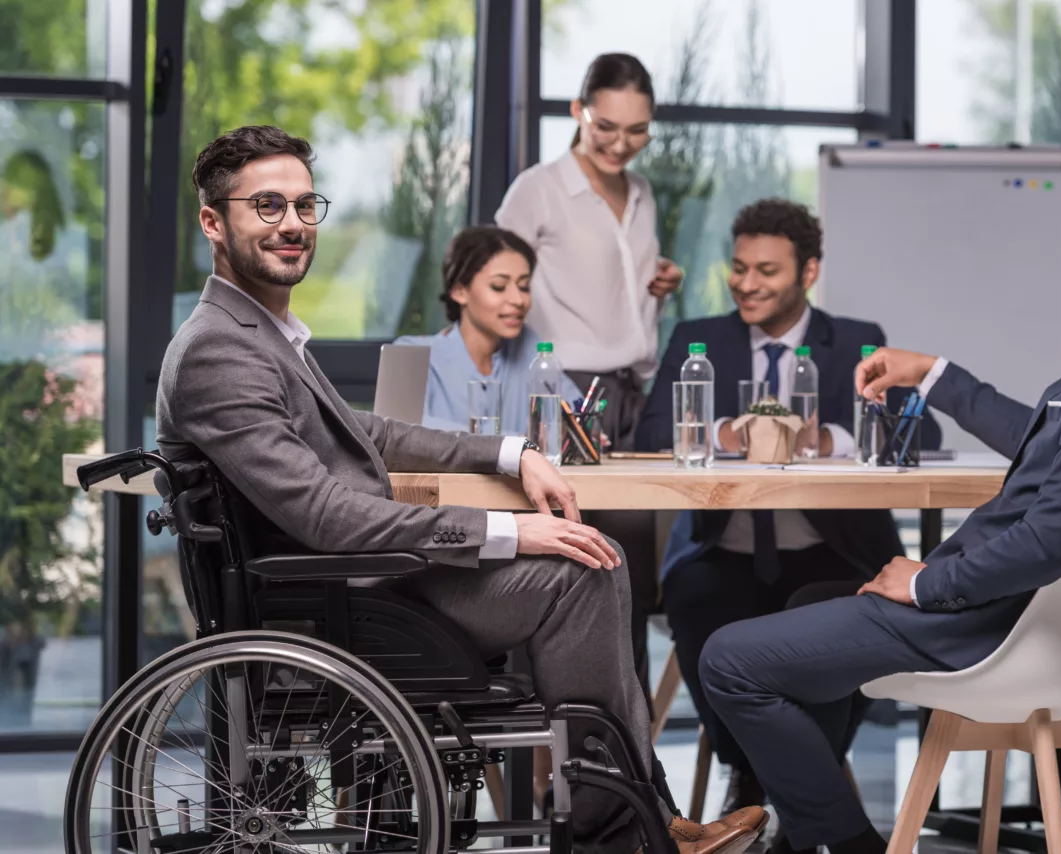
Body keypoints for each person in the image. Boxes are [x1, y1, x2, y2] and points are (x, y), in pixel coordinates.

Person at [155, 124, 767, 854]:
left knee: (589, 562)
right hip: (331, 605)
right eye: (267, 206)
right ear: (214, 222)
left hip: (349, 591)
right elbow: (320, 515)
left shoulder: (261, 333)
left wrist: (511, 452)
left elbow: (370, 435)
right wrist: (506, 531)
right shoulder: (221, 348)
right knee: (585, 568)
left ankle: (632, 821)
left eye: (303, 205)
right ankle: (628, 831)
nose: (292, 224)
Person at [698, 203, 1061, 854]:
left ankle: (846, 843)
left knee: (728, 661)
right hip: (1057, 631)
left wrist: (926, 583)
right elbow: (1042, 443)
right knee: (813, 603)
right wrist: (933, 373)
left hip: (983, 622)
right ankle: (812, 830)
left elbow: (1047, 545)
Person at [633, 199, 941, 823]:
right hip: (722, 551)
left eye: (766, 271)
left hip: (833, 550)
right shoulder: (703, 339)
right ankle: (752, 777)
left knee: (845, 613)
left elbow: (923, 433)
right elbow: (649, 432)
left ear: (808, 273)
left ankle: (778, 789)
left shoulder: (855, 340)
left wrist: (832, 440)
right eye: (739, 268)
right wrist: (725, 432)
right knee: (697, 603)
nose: (747, 284)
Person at [496, 52, 680, 715]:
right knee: (580, 571)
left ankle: (621, 768)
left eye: (637, 131)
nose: (620, 144)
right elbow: (496, 281)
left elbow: (616, 297)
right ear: (579, 111)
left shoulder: (642, 194)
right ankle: (571, 759)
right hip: (568, 395)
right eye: (606, 126)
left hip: (633, 390)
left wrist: (657, 284)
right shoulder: (538, 189)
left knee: (625, 577)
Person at [392, 225, 583, 435]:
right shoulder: (410, 354)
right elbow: (399, 431)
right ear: (459, 292)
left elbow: (579, 415)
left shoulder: (530, 351)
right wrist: (512, 443)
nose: (518, 300)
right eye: (499, 287)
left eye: (524, 287)